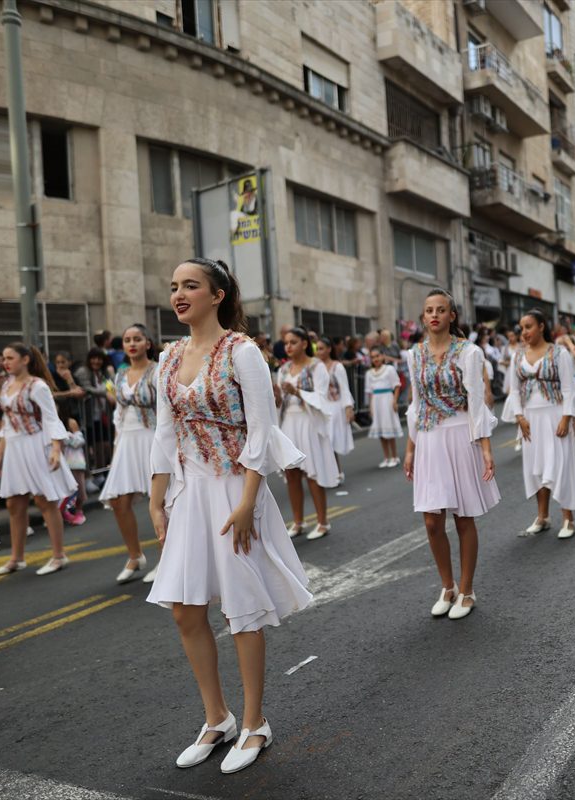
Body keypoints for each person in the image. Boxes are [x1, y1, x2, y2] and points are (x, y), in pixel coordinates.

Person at [148, 257, 310, 774]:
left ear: (217, 295)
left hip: (237, 490)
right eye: (174, 287)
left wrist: (247, 502)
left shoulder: (242, 352)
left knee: (242, 610)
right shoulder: (168, 357)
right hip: (189, 492)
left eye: (190, 285)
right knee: (185, 609)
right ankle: (215, 717)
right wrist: (156, 497)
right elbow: (164, 431)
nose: (179, 294)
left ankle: (254, 723)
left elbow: (262, 430)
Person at [403, 289, 499, 620]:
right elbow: (415, 404)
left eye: (441, 310)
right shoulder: (413, 355)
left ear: (451, 316)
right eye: (429, 310)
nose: (434, 315)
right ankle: (447, 586)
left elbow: (476, 401)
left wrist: (485, 447)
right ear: (423, 316)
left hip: (461, 435)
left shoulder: (468, 353)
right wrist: (410, 447)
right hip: (429, 437)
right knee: (431, 520)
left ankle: (467, 589)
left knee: (462, 516)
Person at [0, 342, 78, 577]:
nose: (5, 362)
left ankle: (59, 555)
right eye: (4, 358)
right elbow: (7, 424)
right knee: (14, 503)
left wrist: (56, 448)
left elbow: (51, 418)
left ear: (25, 360)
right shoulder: (8, 384)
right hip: (15, 446)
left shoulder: (37, 386)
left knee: (44, 501)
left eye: (10, 358)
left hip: (36, 443)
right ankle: (16, 558)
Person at [502, 310, 575, 538]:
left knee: (561, 463)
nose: (524, 332)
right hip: (529, 417)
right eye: (522, 328)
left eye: (528, 327)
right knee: (535, 466)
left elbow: (568, 389)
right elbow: (515, 391)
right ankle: (542, 516)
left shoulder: (559, 354)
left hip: (555, 414)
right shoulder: (518, 356)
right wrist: (519, 417)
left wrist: (566, 418)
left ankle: (568, 518)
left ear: (541, 326)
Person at [99, 324, 160, 583]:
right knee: (119, 501)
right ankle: (135, 556)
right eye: (127, 340)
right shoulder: (121, 373)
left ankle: (168, 558)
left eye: (137, 339)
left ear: (148, 343)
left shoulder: (158, 370)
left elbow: (167, 409)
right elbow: (118, 413)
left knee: (160, 502)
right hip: (126, 439)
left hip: (153, 437)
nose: (132, 343)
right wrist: (116, 446)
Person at [277, 327, 338, 540]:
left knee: (312, 473)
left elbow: (322, 398)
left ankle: (322, 522)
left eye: (293, 342)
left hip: (308, 423)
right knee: (292, 474)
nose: (289, 347)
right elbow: (278, 404)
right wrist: (276, 395)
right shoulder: (284, 369)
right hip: (288, 424)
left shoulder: (316, 367)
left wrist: (298, 392)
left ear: (304, 343)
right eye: (286, 343)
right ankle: (298, 522)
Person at [315, 338, 354, 484]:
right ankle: (329, 473)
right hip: (321, 408)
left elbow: (344, 388)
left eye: (321, 348)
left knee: (331, 442)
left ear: (329, 349)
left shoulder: (337, 367)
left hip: (335, 408)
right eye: (317, 349)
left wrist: (348, 407)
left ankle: (337, 472)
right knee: (323, 443)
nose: (319, 351)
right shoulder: (315, 367)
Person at [75, 348, 115, 471]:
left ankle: (101, 471)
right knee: (89, 444)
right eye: (93, 358)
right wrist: (105, 393)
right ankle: (90, 473)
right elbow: (87, 388)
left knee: (103, 444)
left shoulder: (104, 372)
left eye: (99, 359)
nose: (96, 361)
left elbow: (112, 384)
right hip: (88, 415)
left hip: (102, 414)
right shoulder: (83, 371)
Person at [365, 346, 403, 467]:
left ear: (382, 356)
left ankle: (395, 456)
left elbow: (396, 385)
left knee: (389, 427)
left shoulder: (389, 369)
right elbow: (370, 392)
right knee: (381, 430)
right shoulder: (369, 373)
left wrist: (395, 401)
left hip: (387, 399)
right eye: (373, 357)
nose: (375, 359)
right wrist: (370, 407)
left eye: (377, 356)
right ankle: (386, 457)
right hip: (376, 401)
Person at [60, 418, 88, 525]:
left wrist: (76, 431)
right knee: (67, 492)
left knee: (79, 490)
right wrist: (76, 432)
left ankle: (79, 511)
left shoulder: (71, 434)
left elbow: (79, 442)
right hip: (68, 465)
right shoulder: (63, 434)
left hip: (77, 465)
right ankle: (64, 512)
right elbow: (75, 442)